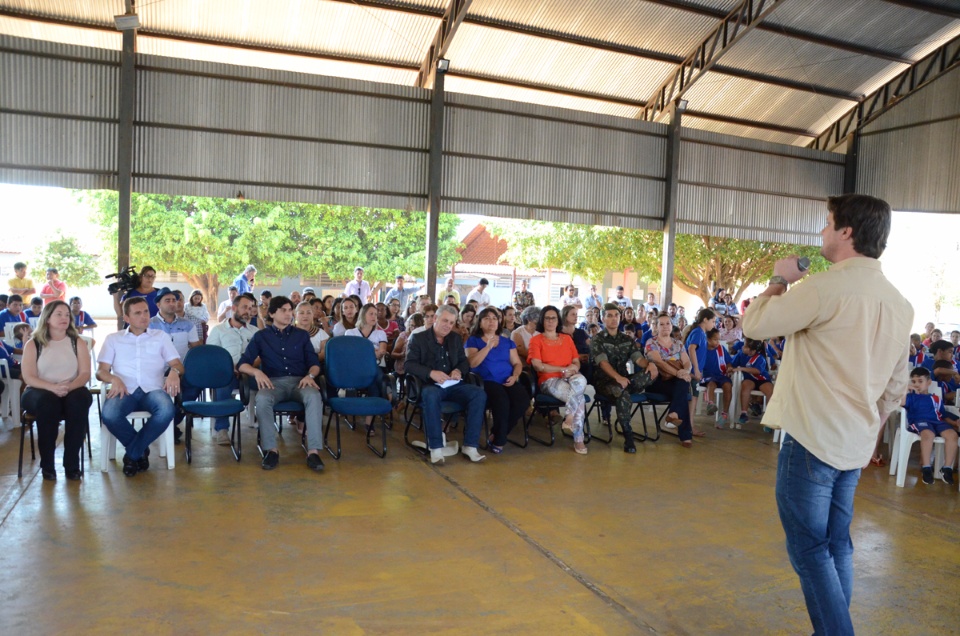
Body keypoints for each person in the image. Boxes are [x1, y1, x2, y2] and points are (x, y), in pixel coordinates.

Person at [742, 194, 912, 636]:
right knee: (837, 545)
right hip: (854, 442)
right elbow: (895, 387)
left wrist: (779, 279)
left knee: (810, 550)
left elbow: (754, 325)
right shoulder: (899, 303)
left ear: (846, 232)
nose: (821, 231)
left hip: (813, 439)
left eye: (826, 223)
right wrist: (872, 428)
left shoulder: (824, 288)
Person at [237, 296, 325, 472]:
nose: (288, 314)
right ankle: (271, 450)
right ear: (272, 313)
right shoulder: (261, 336)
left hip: (300, 381)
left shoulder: (301, 335)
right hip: (273, 383)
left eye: (290, 310)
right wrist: (257, 371)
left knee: (314, 396)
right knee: (262, 399)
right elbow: (242, 364)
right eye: (283, 310)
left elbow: (314, 363)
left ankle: (313, 451)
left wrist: (310, 376)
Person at [97, 297, 183, 477]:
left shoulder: (160, 337)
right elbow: (101, 372)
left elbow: (178, 364)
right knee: (110, 415)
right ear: (126, 318)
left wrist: (174, 371)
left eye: (146, 311)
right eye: (137, 313)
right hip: (124, 390)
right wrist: (113, 378)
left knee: (167, 410)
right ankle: (140, 451)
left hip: (152, 391)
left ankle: (133, 454)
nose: (144, 316)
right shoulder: (113, 339)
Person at [404, 304, 487, 464]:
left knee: (478, 393)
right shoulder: (419, 338)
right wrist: (431, 373)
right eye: (445, 321)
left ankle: (470, 446)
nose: (448, 325)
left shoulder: (455, 338)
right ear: (435, 319)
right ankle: (435, 447)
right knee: (431, 394)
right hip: (429, 385)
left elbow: (464, 362)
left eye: (451, 322)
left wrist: (458, 371)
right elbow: (409, 364)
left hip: (453, 385)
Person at [20, 300, 92, 481]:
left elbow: (84, 374)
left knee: (81, 399)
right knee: (48, 403)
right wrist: (52, 387)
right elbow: (28, 377)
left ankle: (71, 464)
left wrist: (68, 387)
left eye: (67, 315)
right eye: (59, 314)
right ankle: (48, 465)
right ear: (48, 318)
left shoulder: (77, 342)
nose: (64, 318)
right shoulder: (33, 343)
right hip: (39, 390)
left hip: (71, 388)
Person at [591, 303, 658, 453]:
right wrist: (618, 378)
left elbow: (638, 359)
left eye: (616, 315)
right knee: (621, 392)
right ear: (603, 318)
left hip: (625, 380)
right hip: (605, 382)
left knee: (649, 373)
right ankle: (628, 435)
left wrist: (650, 364)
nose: (613, 319)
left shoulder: (626, 339)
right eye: (609, 315)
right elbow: (603, 363)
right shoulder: (598, 339)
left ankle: (626, 387)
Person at [466, 307, 529, 454]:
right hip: (485, 381)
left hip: (507, 378)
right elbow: (472, 363)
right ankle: (500, 441)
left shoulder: (507, 342)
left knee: (522, 400)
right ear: (480, 322)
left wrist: (515, 376)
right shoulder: (473, 340)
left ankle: (498, 433)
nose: (491, 321)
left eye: (495, 318)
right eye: (487, 318)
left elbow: (517, 363)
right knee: (502, 400)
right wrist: (488, 347)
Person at [528, 305, 588, 455]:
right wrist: (561, 370)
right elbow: (537, 365)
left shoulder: (567, 339)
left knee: (581, 380)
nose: (550, 321)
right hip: (549, 380)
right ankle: (578, 438)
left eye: (553, 318)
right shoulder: (536, 340)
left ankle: (569, 416)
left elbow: (576, 361)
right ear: (542, 320)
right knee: (578, 398)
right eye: (547, 318)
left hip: (571, 377)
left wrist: (573, 369)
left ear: (558, 320)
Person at [205, 292, 258, 445]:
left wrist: (247, 367)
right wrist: (230, 367)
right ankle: (222, 430)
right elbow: (211, 356)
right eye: (244, 307)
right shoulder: (219, 330)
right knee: (223, 383)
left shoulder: (254, 332)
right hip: (229, 374)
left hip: (251, 373)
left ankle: (264, 425)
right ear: (234, 308)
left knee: (269, 383)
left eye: (250, 308)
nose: (248, 311)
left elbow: (262, 356)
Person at [645, 313, 695, 447]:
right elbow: (659, 363)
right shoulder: (651, 343)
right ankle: (685, 435)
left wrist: (686, 371)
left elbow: (687, 362)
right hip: (657, 380)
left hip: (676, 380)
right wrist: (678, 373)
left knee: (682, 385)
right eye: (661, 324)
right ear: (656, 327)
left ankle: (673, 413)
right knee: (682, 388)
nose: (665, 327)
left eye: (668, 323)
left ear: (672, 326)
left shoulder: (678, 343)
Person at [903, 367, 959, 485]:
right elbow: (900, 402)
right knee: (928, 434)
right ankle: (926, 468)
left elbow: (942, 415)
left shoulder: (936, 398)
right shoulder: (910, 397)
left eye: (920, 381)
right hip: (919, 422)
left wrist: (954, 423)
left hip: (937, 422)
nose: (917, 384)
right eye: (913, 382)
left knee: (952, 435)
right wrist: (905, 389)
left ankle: (947, 468)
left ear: (928, 383)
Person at [685, 307, 717, 434]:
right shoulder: (698, 332)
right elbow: (691, 349)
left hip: (695, 371)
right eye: (713, 321)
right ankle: (690, 427)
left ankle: (690, 425)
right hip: (692, 371)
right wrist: (696, 370)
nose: (714, 324)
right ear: (705, 320)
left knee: (694, 398)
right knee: (692, 399)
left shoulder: (701, 333)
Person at [729, 339, 774, 428]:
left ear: (752, 351)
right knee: (745, 387)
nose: (742, 347)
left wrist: (742, 368)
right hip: (749, 379)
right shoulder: (740, 354)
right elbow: (731, 363)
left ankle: (769, 418)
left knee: (770, 392)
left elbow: (757, 371)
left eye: (745, 346)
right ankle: (744, 413)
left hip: (762, 379)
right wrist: (730, 368)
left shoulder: (760, 357)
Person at [700, 329, 734, 427]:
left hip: (721, 375)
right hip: (708, 375)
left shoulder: (721, 349)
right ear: (708, 339)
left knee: (728, 385)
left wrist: (729, 368)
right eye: (715, 340)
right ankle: (710, 404)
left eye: (718, 340)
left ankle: (724, 414)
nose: (717, 342)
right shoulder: (702, 350)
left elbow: (728, 362)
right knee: (711, 383)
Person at [391, 313, 423, 379]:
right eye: (411, 326)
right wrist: (402, 354)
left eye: (416, 326)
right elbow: (393, 354)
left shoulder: (425, 336)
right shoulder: (404, 335)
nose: (413, 328)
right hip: (404, 364)